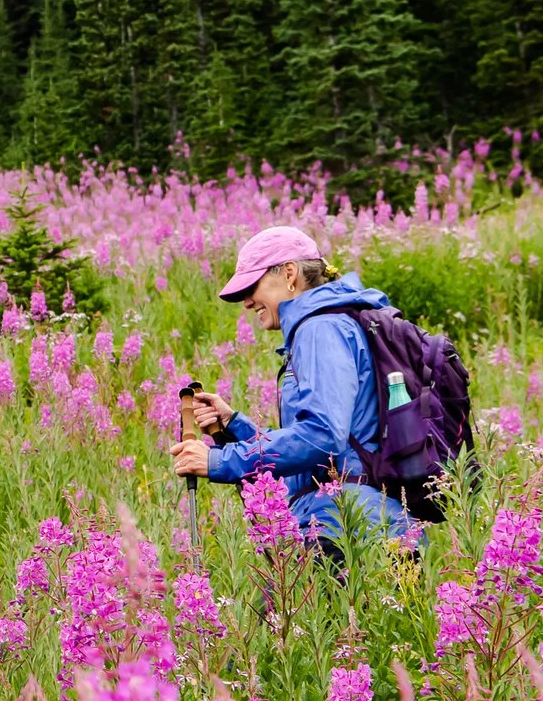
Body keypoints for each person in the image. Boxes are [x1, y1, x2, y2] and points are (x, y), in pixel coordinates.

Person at [170, 226, 415, 553]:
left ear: (289, 274)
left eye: (252, 286)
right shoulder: (336, 321)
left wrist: (220, 460)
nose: (246, 302)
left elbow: (323, 435)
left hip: (347, 527)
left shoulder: (321, 328)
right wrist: (235, 425)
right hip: (367, 519)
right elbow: (334, 444)